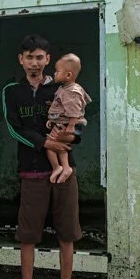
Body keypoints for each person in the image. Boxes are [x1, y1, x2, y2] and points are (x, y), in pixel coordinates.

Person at [0, 34, 84, 279]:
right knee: (27, 236)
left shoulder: (63, 87)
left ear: (48, 60)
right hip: (32, 172)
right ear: (20, 60)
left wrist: (73, 138)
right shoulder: (12, 91)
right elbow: (14, 128)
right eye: (29, 57)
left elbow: (80, 120)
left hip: (64, 172)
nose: (34, 63)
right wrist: (45, 143)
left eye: (39, 57)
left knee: (67, 234)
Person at [45, 54, 91, 184]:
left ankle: (57, 167)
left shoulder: (71, 92)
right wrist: (53, 109)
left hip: (64, 125)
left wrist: (71, 127)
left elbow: (73, 111)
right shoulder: (65, 88)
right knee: (62, 146)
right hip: (61, 123)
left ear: (69, 75)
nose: (54, 73)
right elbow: (62, 105)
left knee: (50, 147)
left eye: (57, 71)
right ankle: (65, 167)